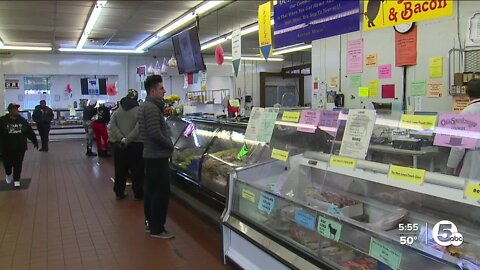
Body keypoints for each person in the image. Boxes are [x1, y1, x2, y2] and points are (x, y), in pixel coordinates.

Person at [138, 75, 174, 239]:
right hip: (157, 156)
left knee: (151, 191)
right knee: (160, 193)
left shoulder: (147, 106)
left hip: (151, 156)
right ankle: (157, 228)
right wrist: (170, 145)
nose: (164, 91)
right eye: (161, 88)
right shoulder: (152, 108)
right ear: (152, 91)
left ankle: (151, 223)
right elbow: (154, 133)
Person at [109, 89, 144, 200]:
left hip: (120, 146)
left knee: (120, 170)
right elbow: (138, 128)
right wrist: (128, 139)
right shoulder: (140, 111)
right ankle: (138, 193)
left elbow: (112, 126)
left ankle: (119, 192)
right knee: (137, 171)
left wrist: (122, 138)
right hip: (136, 145)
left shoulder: (117, 111)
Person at [447, 78, 480, 179]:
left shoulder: (468, 112)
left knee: (470, 191)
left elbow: (458, 145)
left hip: (474, 158)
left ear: (467, 92)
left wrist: (451, 166)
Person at [0, 103, 39, 187]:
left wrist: (34, 141)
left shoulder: (22, 120)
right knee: (7, 163)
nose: (16, 110)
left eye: (17, 109)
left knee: (18, 163)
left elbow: (29, 131)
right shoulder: (2, 120)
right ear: (9, 110)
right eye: (14, 109)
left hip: (20, 146)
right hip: (6, 147)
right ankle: (8, 173)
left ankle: (17, 179)